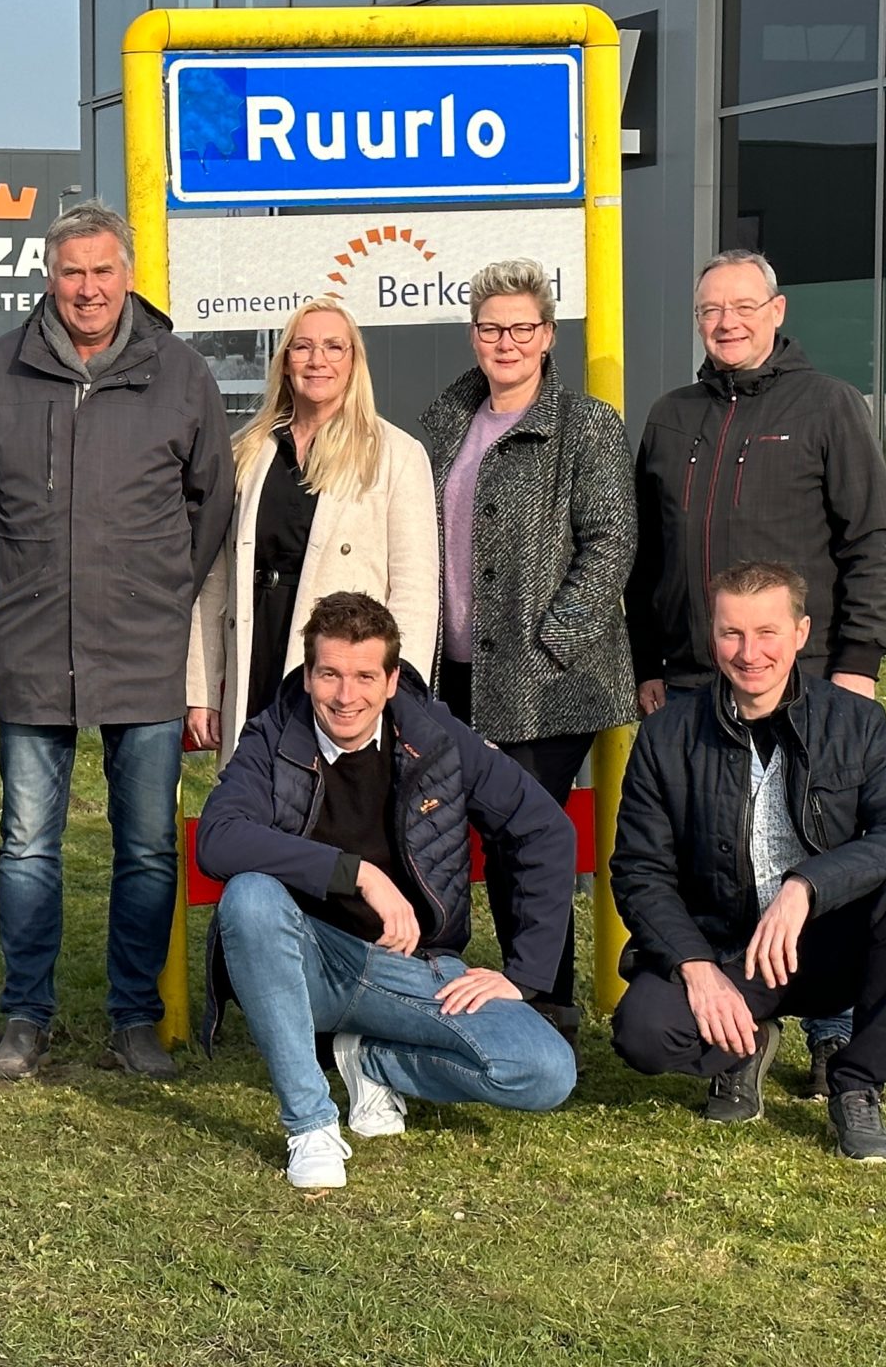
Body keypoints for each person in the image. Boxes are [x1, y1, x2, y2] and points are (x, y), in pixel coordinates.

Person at [0, 201, 234, 1081]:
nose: (88, 288)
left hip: (143, 648)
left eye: (103, 272)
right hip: (34, 646)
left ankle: (133, 1017)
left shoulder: (180, 374)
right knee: (27, 842)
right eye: (72, 272)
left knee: (147, 844)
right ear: (51, 276)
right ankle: (26, 1015)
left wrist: (158, 590)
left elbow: (211, 504)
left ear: (127, 276)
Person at [627, 248, 886, 1093]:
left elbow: (872, 539)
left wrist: (857, 662)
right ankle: (739, 1026)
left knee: (812, 847)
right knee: (716, 857)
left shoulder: (827, 406)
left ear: (777, 311)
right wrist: (648, 659)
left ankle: (830, 1027)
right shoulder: (672, 416)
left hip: (806, 678)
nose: (728, 322)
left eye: (744, 306)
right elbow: (647, 557)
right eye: (712, 309)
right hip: (688, 677)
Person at [197, 591, 577, 1190]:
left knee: (545, 1070)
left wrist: (523, 975)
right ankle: (311, 1125)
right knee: (249, 897)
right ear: (309, 670)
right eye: (329, 674)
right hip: (307, 964)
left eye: (364, 676)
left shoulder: (439, 738)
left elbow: (545, 829)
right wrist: (357, 873)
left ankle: (372, 1061)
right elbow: (217, 839)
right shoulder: (273, 735)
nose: (346, 696)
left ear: (393, 679)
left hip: (411, 970)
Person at [607, 561, 886, 1162]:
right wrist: (695, 968)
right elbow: (640, 872)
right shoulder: (665, 736)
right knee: (643, 1033)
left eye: (767, 632)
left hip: (826, 945)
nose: (749, 653)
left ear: (800, 632)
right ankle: (743, 1046)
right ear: (712, 638)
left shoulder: (855, 720)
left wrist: (808, 886)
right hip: (723, 949)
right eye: (731, 634)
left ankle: (858, 1082)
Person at [420, 258, 635, 1042]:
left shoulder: (587, 425)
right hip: (457, 670)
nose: (504, 341)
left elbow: (611, 544)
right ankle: (473, 991)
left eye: (520, 327)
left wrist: (552, 644)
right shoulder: (446, 421)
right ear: (472, 335)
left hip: (548, 680)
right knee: (459, 832)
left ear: (547, 336)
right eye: (489, 327)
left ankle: (545, 1005)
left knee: (529, 842)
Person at [186, 295, 436, 759]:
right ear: (284, 363)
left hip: (342, 670)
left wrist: (398, 692)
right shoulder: (248, 452)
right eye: (302, 347)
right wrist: (202, 687)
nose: (317, 360)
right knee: (257, 797)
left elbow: (416, 591)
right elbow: (216, 576)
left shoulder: (396, 455)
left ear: (354, 362)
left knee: (332, 805)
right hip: (257, 648)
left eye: (333, 348)